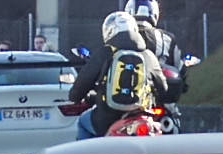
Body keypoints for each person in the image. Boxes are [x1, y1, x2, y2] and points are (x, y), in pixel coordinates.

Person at [68, 11, 179, 139]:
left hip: (106, 118)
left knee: (82, 122)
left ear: (108, 32)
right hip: (141, 115)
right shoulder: (149, 55)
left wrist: (75, 96)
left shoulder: (104, 53)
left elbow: (80, 87)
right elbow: (163, 90)